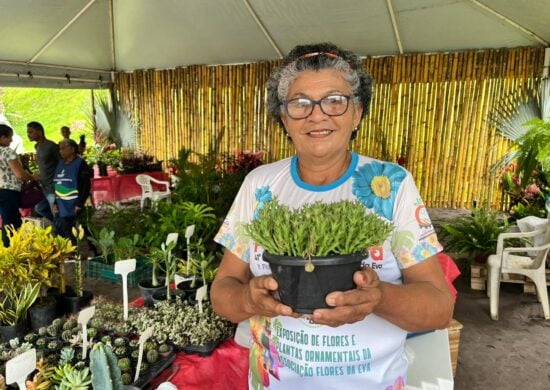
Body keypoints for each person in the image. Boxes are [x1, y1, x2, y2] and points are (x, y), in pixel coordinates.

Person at [210, 43, 455, 389]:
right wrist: (247, 299)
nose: (317, 114)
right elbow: (222, 293)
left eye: (335, 100)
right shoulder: (259, 185)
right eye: (300, 103)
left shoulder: (391, 185)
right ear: (284, 118)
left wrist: (378, 298)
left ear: (357, 113)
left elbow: (439, 308)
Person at [0, 124, 35, 246]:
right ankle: (9, 252)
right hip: (9, 192)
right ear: (2, 137)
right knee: (10, 224)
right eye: (9, 137)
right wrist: (33, 177)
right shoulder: (7, 152)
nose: (11, 140)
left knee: (11, 220)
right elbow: (19, 174)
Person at [53, 139, 91, 242]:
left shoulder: (80, 164)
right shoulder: (60, 164)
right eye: (60, 149)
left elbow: (86, 185)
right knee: (66, 230)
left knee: (85, 229)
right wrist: (56, 202)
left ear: (72, 149)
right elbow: (58, 183)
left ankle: (95, 251)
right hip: (63, 204)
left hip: (76, 203)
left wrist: (80, 203)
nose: (60, 151)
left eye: (63, 148)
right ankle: (73, 253)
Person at [27, 121, 59, 222]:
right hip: (43, 185)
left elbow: (61, 163)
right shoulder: (37, 147)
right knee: (39, 208)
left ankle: (61, 230)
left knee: (55, 211)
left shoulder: (51, 146)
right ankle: (58, 223)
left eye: (30, 132)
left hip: (52, 186)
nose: (28, 135)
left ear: (39, 132)